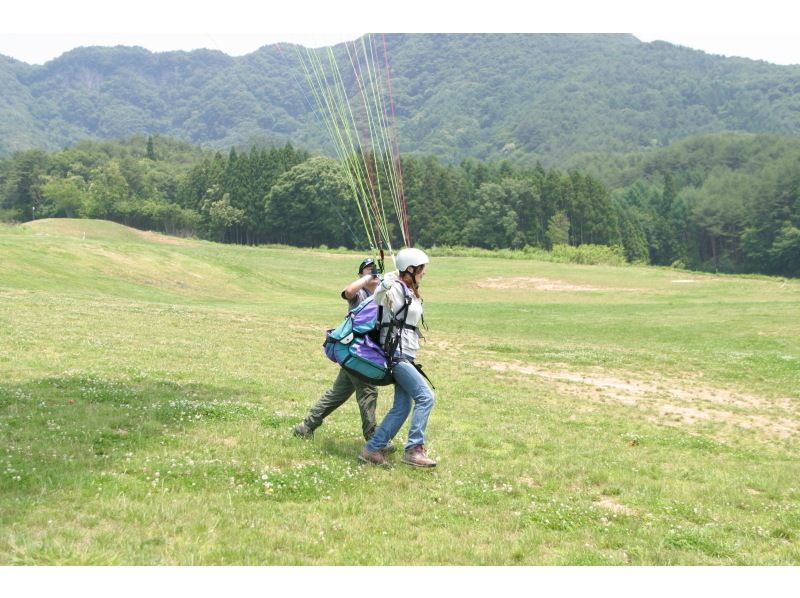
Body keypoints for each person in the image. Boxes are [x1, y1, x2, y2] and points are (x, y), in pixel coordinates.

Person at [359, 248, 436, 468]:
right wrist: (385, 282)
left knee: (402, 407)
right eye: (421, 269)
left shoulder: (408, 290)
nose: (424, 273)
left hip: (407, 355)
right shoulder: (395, 289)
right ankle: (414, 449)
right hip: (397, 355)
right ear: (410, 269)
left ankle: (372, 449)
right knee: (426, 397)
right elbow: (378, 298)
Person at [293, 258, 383, 441]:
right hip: (357, 352)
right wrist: (367, 279)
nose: (372, 272)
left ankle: (306, 426)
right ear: (360, 275)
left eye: (374, 269)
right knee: (368, 391)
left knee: (338, 393)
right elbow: (349, 291)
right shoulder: (359, 294)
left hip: (360, 352)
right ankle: (374, 440)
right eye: (367, 270)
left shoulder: (380, 294)